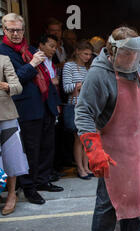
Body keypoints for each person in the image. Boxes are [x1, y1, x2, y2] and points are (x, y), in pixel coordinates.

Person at [75, 26, 140, 231]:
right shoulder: (98, 74)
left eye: (136, 54)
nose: (132, 59)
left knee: (132, 191)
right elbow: (83, 112)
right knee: (110, 197)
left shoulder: (134, 69)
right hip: (111, 147)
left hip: (134, 144)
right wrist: (93, 150)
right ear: (112, 51)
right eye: (127, 54)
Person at [0, 13, 64, 205]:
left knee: (46, 147)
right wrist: (33, 63)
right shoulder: (3, 52)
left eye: (19, 30)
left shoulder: (28, 48)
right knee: (31, 150)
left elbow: (45, 77)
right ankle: (29, 188)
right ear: (4, 30)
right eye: (11, 30)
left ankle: (42, 181)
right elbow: (15, 80)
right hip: (24, 108)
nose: (16, 33)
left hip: (44, 105)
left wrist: (54, 104)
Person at [0, 54, 28, 215]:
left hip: (6, 115)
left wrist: (6, 86)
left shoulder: (3, 59)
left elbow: (17, 87)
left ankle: (11, 195)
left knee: (11, 157)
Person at [62, 40, 94, 180]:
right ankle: (80, 168)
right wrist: (83, 85)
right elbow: (67, 87)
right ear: (77, 52)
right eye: (85, 54)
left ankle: (87, 167)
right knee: (78, 138)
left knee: (87, 137)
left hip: (88, 105)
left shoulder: (88, 68)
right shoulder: (69, 66)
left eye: (89, 54)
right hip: (76, 105)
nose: (88, 57)